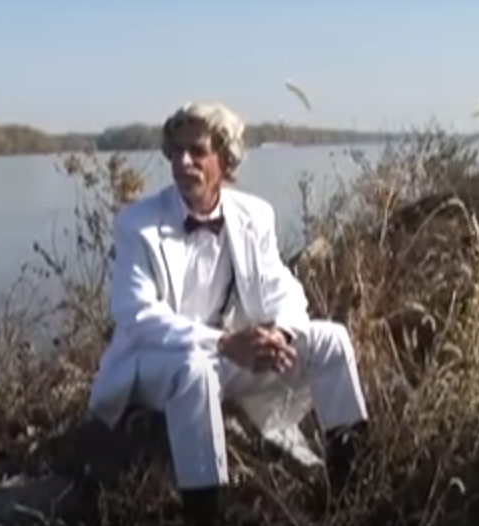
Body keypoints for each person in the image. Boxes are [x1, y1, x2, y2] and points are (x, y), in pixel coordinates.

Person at [87, 102, 370, 525]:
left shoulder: (254, 215)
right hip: (157, 362)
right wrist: (225, 342)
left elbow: (285, 291)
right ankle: (205, 515)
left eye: (197, 151)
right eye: (176, 151)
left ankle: (349, 494)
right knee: (195, 368)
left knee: (332, 339)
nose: (183, 162)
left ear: (225, 157)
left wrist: (280, 335)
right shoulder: (137, 223)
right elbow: (137, 316)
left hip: (229, 356)